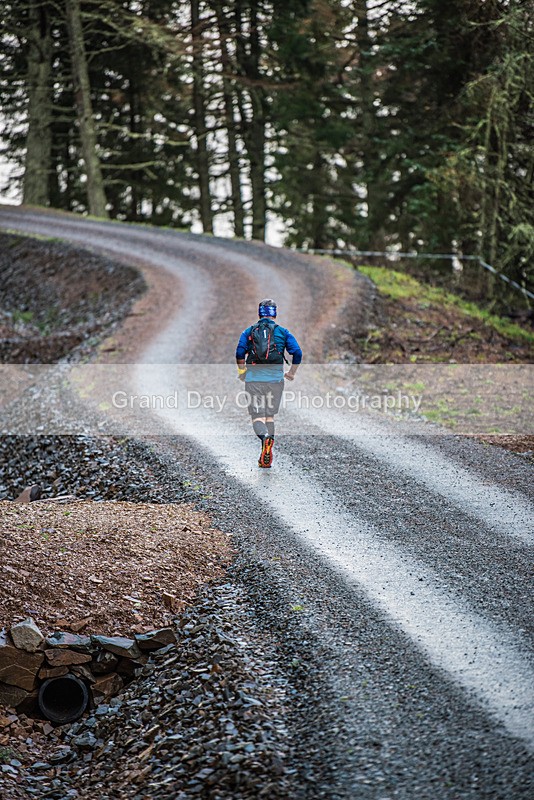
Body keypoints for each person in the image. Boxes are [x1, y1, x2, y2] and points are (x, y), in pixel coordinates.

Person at [235, 299, 302, 468]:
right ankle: (266, 451)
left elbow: (239, 353)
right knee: (269, 416)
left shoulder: (249, 331)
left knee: (257, 417)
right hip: (275, 381)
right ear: (274, 314)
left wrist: (242, 372)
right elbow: (298, 353)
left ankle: (264, 438)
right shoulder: (283, 332)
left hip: (254, 380)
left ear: (259, 314)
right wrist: (291, 373)